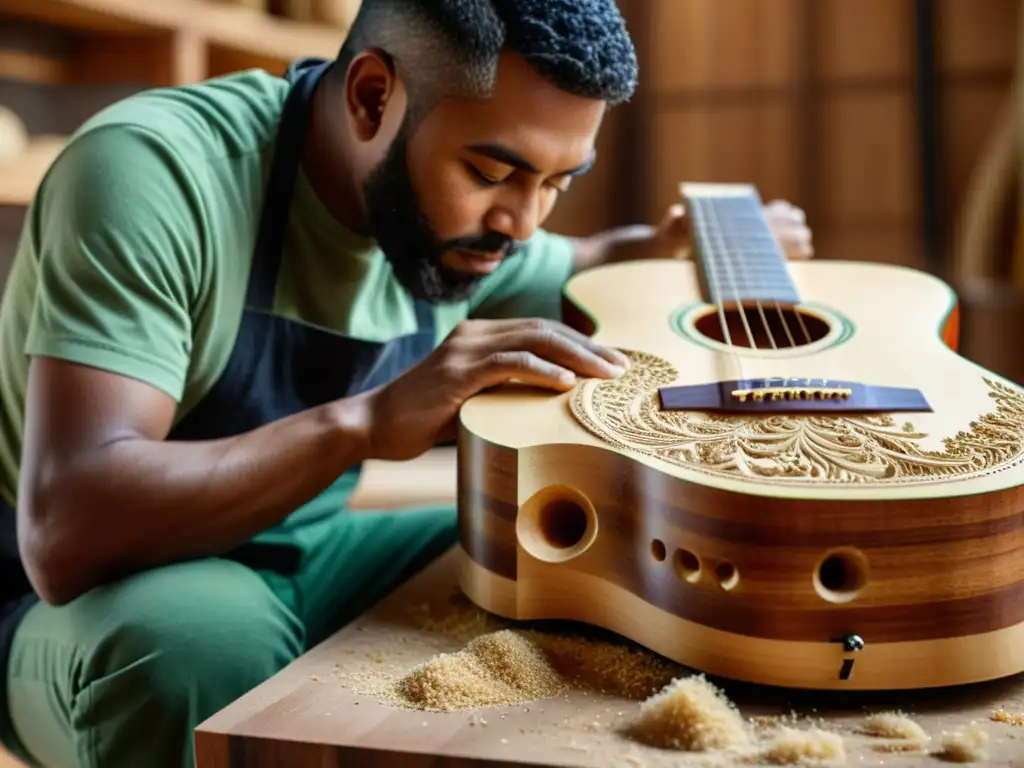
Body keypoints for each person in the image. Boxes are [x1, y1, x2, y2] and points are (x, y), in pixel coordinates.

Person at [0, 0, 813, 766]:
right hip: (78, 603)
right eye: (495, 172)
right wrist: (362, 424)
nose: (523, 223)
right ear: (372, 96)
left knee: (601, 555)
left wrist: (689, 242)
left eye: (557, 182)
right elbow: (69, 527)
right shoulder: (156, 173)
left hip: (306, 548)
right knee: (201, 641)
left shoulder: (454, 220)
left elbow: (585, 265)